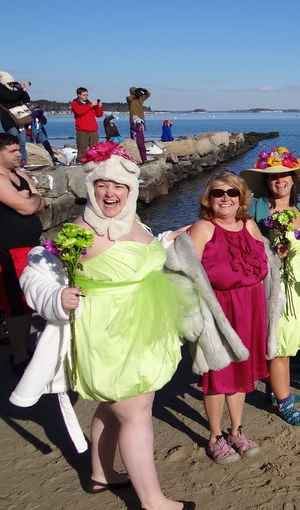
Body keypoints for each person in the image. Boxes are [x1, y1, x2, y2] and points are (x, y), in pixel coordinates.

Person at [15, 142, 194, 509]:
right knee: (136, 412)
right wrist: (56, 297)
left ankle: (101, 472)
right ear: (91, 186)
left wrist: (165, 240)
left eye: (119, 186)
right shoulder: (77, 235)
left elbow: (134, 262)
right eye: (102, 185)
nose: (110, 193)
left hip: (142, 326)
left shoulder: (134, 222)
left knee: (115, 406)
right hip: (108, 332)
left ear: (130, 191)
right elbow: (37, 273)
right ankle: (152, 500)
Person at [189, 171, 268, 464]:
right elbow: (186, 276)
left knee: (241, 373)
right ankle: (215, 436)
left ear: (241, 197)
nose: (225, 198)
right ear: (209, 198)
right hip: (219, 311)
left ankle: (236, 430)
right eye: (218, 193)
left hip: (251, 307)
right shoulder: (203, 229)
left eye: (232, 192)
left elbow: (264, 262)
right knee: (217, 374)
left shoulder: (249, 224)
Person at [242, 147, 300, 427]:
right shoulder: (256, 209)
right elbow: (243, 246)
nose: (279, 180)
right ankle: (284, 403)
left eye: (284, 174)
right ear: (266, 182)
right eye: (273, 176)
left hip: (298, 287)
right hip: (271, 288)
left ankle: (276, 391)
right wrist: (270, 253)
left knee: (291, 342)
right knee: (279, 345)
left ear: (293, 178)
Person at [0, 133, 44, 373]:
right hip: (8, 248)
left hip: (29, 246)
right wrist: (29, 200)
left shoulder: (19, 176)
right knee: (16, 302)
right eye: (12, 151)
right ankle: (19, 357)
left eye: (18, 149)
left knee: (28, 299)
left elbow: (40, 201)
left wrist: (31, 198)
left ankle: (23, 348)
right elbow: (27, 207)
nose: (19, 154)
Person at [0, 72, 32, 165]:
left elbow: (26, 99)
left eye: (13, 83)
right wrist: (21, 89)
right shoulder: (2, 92)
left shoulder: (15, 92)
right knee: (13, 140)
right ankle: (12, 160)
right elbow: (9, 98)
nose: (12, 85)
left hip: (20, 119)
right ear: (4, 83)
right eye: (10, 83)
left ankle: (23, 160)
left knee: (22, 141)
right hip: (8, 120)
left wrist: (22, 89)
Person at [70, 87, 103, 160]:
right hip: (82, 131)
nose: (86, 96)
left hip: (93, 130)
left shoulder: (89, 103)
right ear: (79, 95)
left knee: (95, 150)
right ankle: (79, 164)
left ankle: (94, 163)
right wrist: (90, 105)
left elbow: (99, 115)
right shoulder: (75, 103)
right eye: (84, 95)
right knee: (82, 151)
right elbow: (79, 111)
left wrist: (99, 107)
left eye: (87, 95)